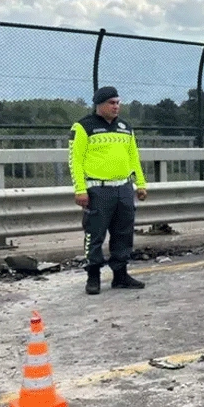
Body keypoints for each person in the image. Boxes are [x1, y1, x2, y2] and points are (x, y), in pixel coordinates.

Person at [70, 86, 148, 296]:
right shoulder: (83, 127)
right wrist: (80, 189)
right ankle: (93, 276)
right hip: (98, 190)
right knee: (94, 234)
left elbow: (134, 158)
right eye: (112, 103)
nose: (116, 107)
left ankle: (120, 275)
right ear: (100, 105)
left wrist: (140, 184)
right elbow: (75, 161)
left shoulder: (125, 127)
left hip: (123, 188)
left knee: (123, 233)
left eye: (118, 103)